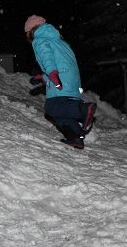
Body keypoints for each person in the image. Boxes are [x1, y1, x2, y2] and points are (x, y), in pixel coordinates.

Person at [25, 14, 97, 149]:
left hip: (60, 77)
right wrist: (44, 77)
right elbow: (62, 62)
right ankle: (77, 137)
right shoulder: (59, 41)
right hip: (71, 80)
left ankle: (83, 110)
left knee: (52, 108)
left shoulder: (39, 39)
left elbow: (47, 56)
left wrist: (51, 72)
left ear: (31, 31)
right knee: (58, 115)